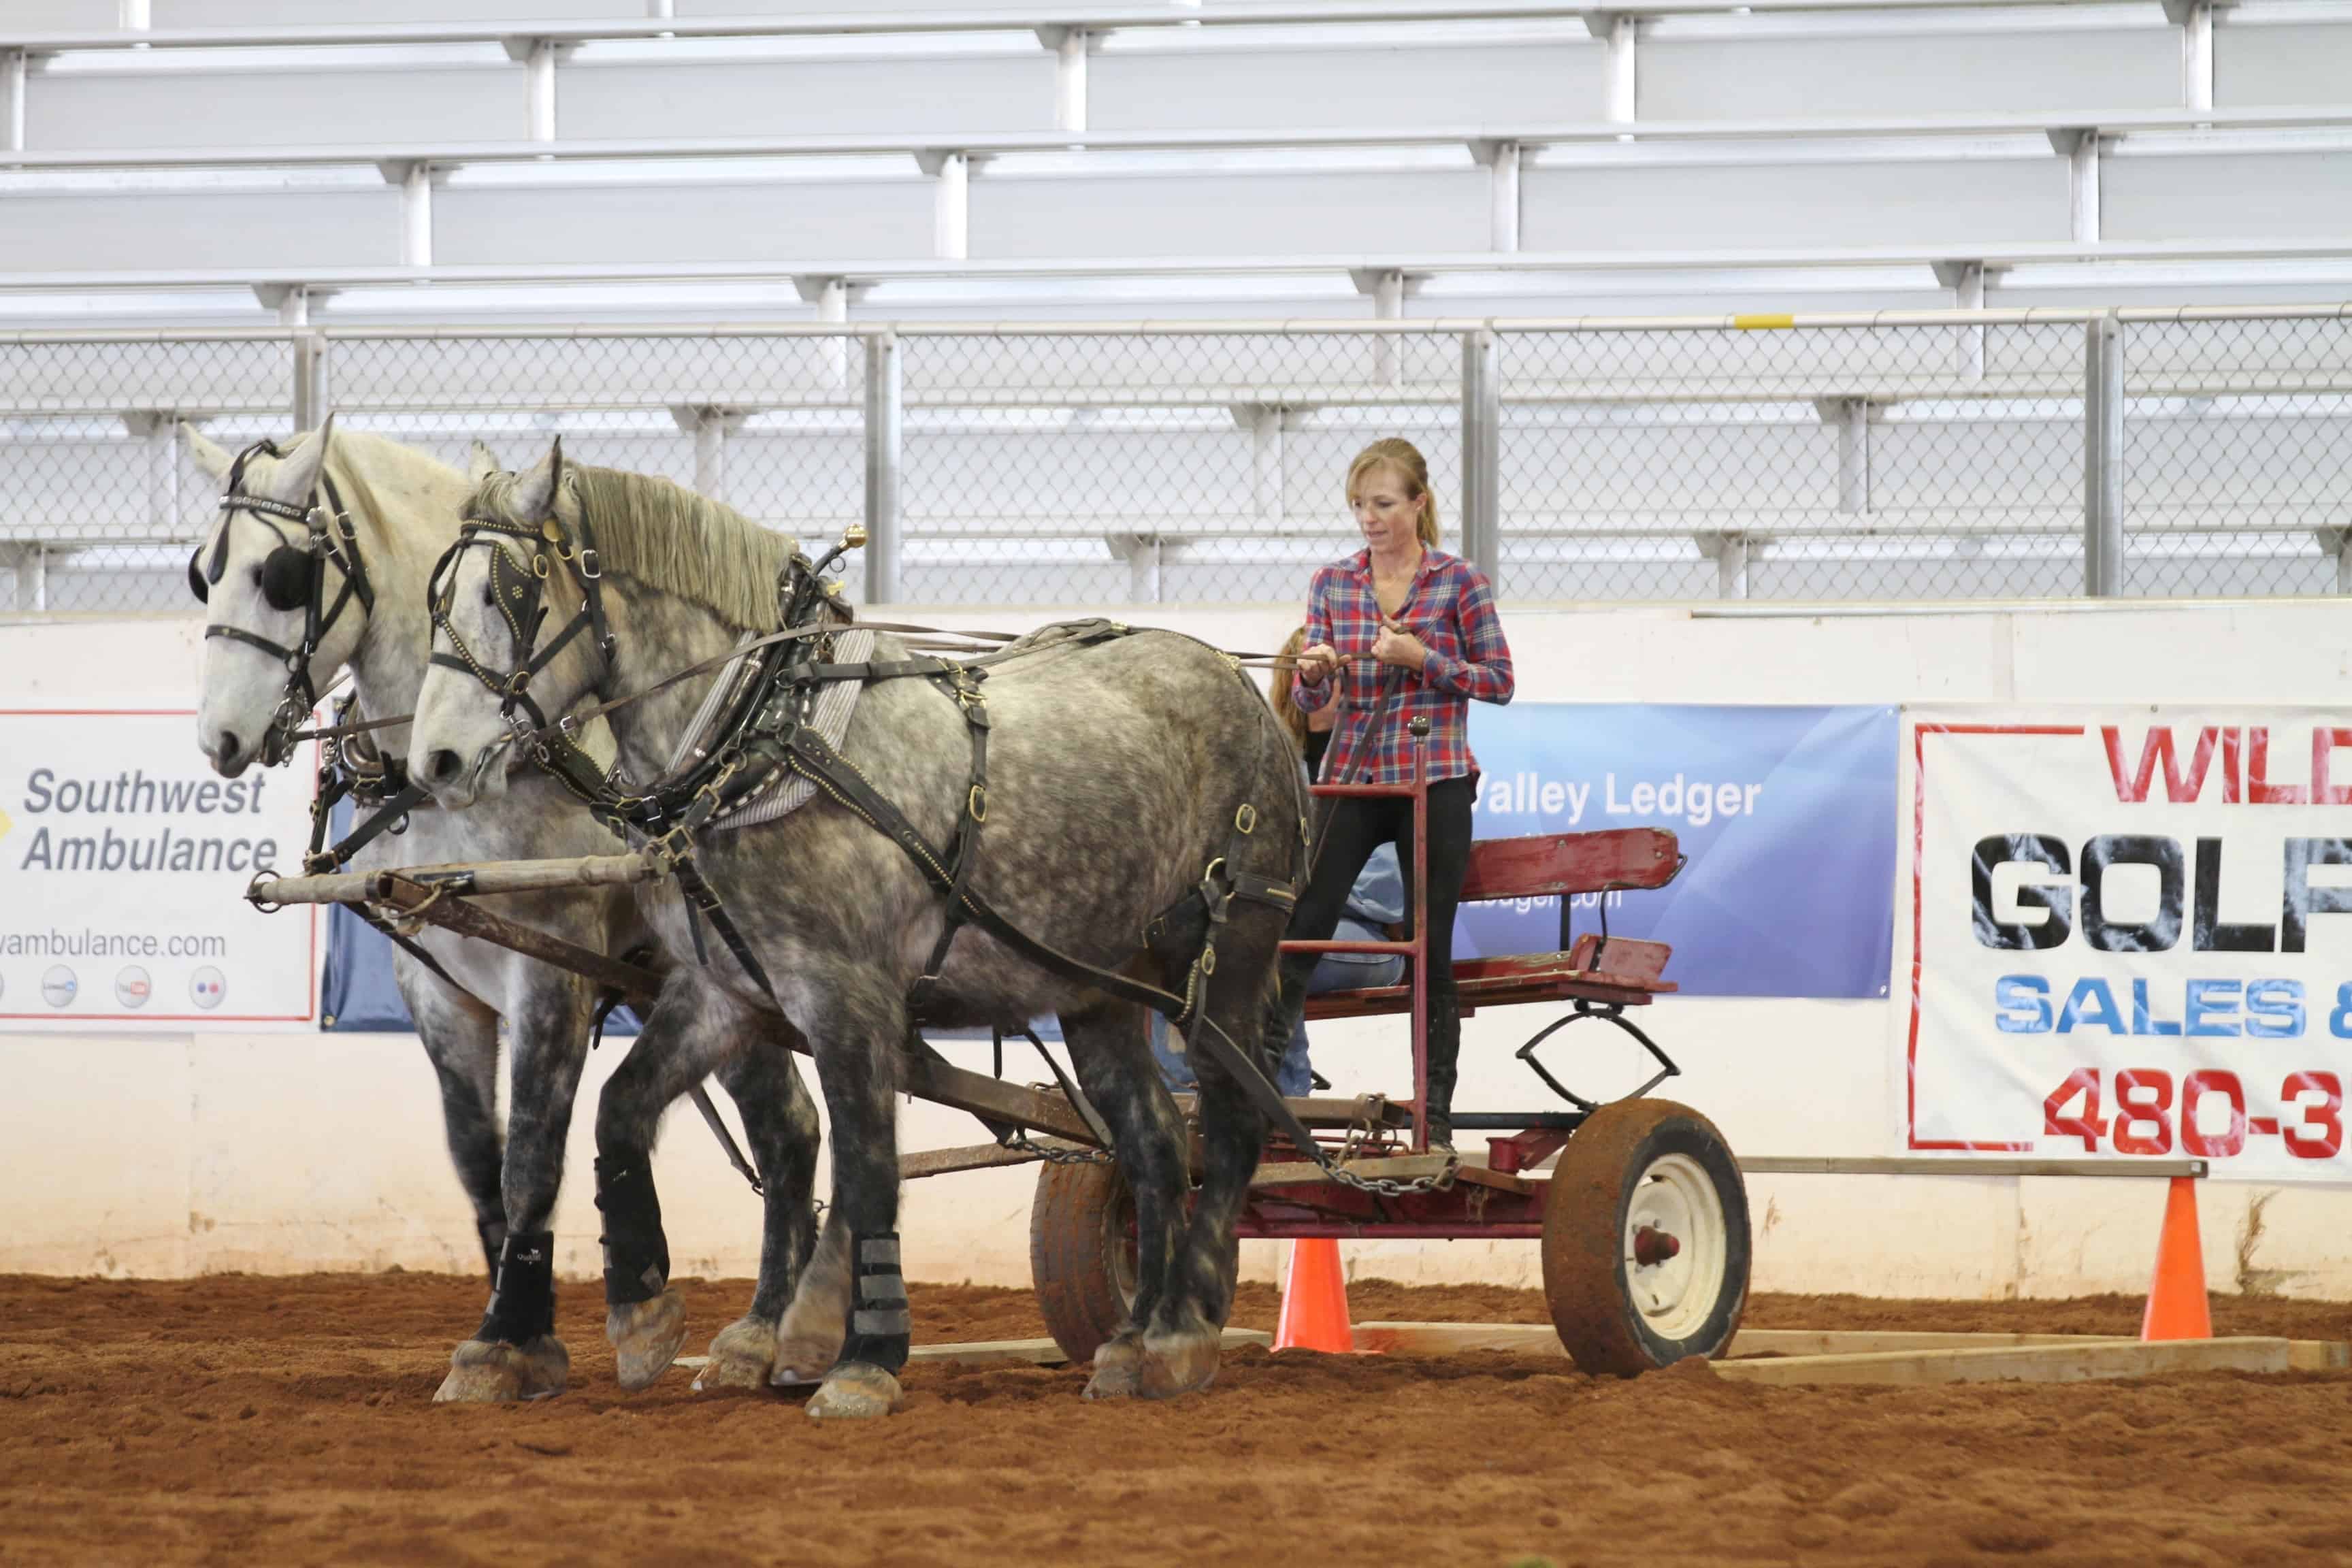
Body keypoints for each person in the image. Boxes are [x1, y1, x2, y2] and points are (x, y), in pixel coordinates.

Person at [1267, 437, 1515, 1149]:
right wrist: (1314, 673)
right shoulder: (1333, 582)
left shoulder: (1459, 582)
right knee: (1299, 930)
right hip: (1352, 773)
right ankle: (1259, 1093)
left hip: (1434, 778)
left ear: (1418, 503)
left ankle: (1433, 1118)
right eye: (1359, 506)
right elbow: (1309, 698)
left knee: (1429, 950)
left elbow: (1499, 681)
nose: (1368, 519)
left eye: (1382, 504)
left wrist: (1422, 658)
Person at [1152, 628, 1403, 1096]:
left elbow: (1389, 891)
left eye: (1343, 678)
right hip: (1275, 924)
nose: (1336, 690)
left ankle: (1283, 1098)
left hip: (1366, 941)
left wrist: (1294, 886)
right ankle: (1182, 1097)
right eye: (1320, 677)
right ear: (1295, 683)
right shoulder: (1266, 766)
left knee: (1262, 948)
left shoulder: (1384, 768)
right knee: (1175, 948)